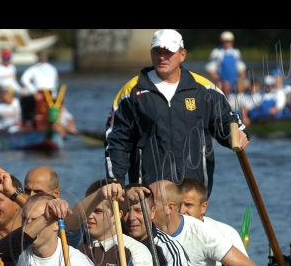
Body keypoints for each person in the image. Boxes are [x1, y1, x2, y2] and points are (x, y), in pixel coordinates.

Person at [105, 29, 249, 199]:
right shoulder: (131, 92)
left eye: (168, 53)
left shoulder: (205, 90)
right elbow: (117, 141)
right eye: (157, 52)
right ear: (151, 54)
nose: (162, 57)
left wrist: (237, 133)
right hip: (148, 195)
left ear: (182, 55)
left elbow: (227, 121)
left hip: (193, 195)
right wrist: (115, 181)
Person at [179, 178, 249, 266]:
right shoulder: (167, 231)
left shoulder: (224, 233)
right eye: (178, 205)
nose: (182, 211)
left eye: (188, 205)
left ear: (203, 207)